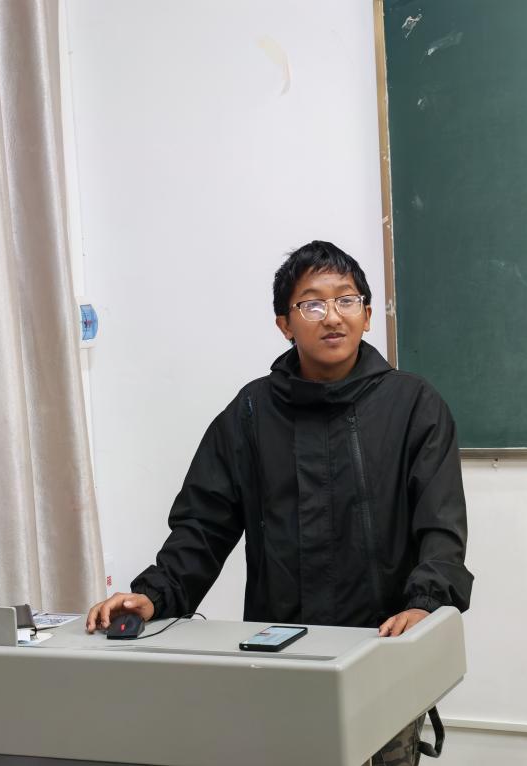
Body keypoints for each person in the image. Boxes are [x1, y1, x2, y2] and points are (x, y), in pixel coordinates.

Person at [86, 240, 473, 765]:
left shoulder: (413, 405)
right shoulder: (251, 412)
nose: (332, 316)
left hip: (381, 654)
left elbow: (441, 526)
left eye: (346, 299)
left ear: (366, 315)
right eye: (312, 303)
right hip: (280, 659)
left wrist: (423, 604)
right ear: (284, 324)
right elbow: (203, 526)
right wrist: (154, 595)